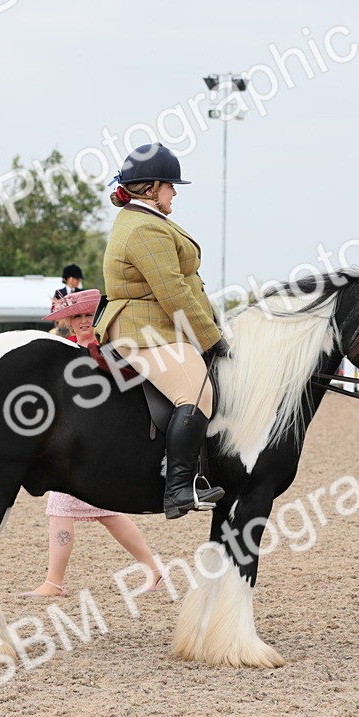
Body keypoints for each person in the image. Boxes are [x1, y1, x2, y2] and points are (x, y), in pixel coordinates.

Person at [94, 143, 229, 520]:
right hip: (143, 330)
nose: (174, 193)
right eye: (170, 186)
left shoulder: (146, 219)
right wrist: (211, 338)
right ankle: (179, 488)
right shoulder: (143, 229)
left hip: (156, 325)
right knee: (197, 393)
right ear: (152, 188)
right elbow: (174, 293)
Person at [24, 289, 163, 597]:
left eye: (89, 315)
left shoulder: (110, 348)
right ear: (69, 322)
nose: (84, 321)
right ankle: (153, 569)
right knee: (105, 512)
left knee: (65, 507)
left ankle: (54, 582)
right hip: (76, 438)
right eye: (77, 316)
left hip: (99, 439)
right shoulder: (65, 349)